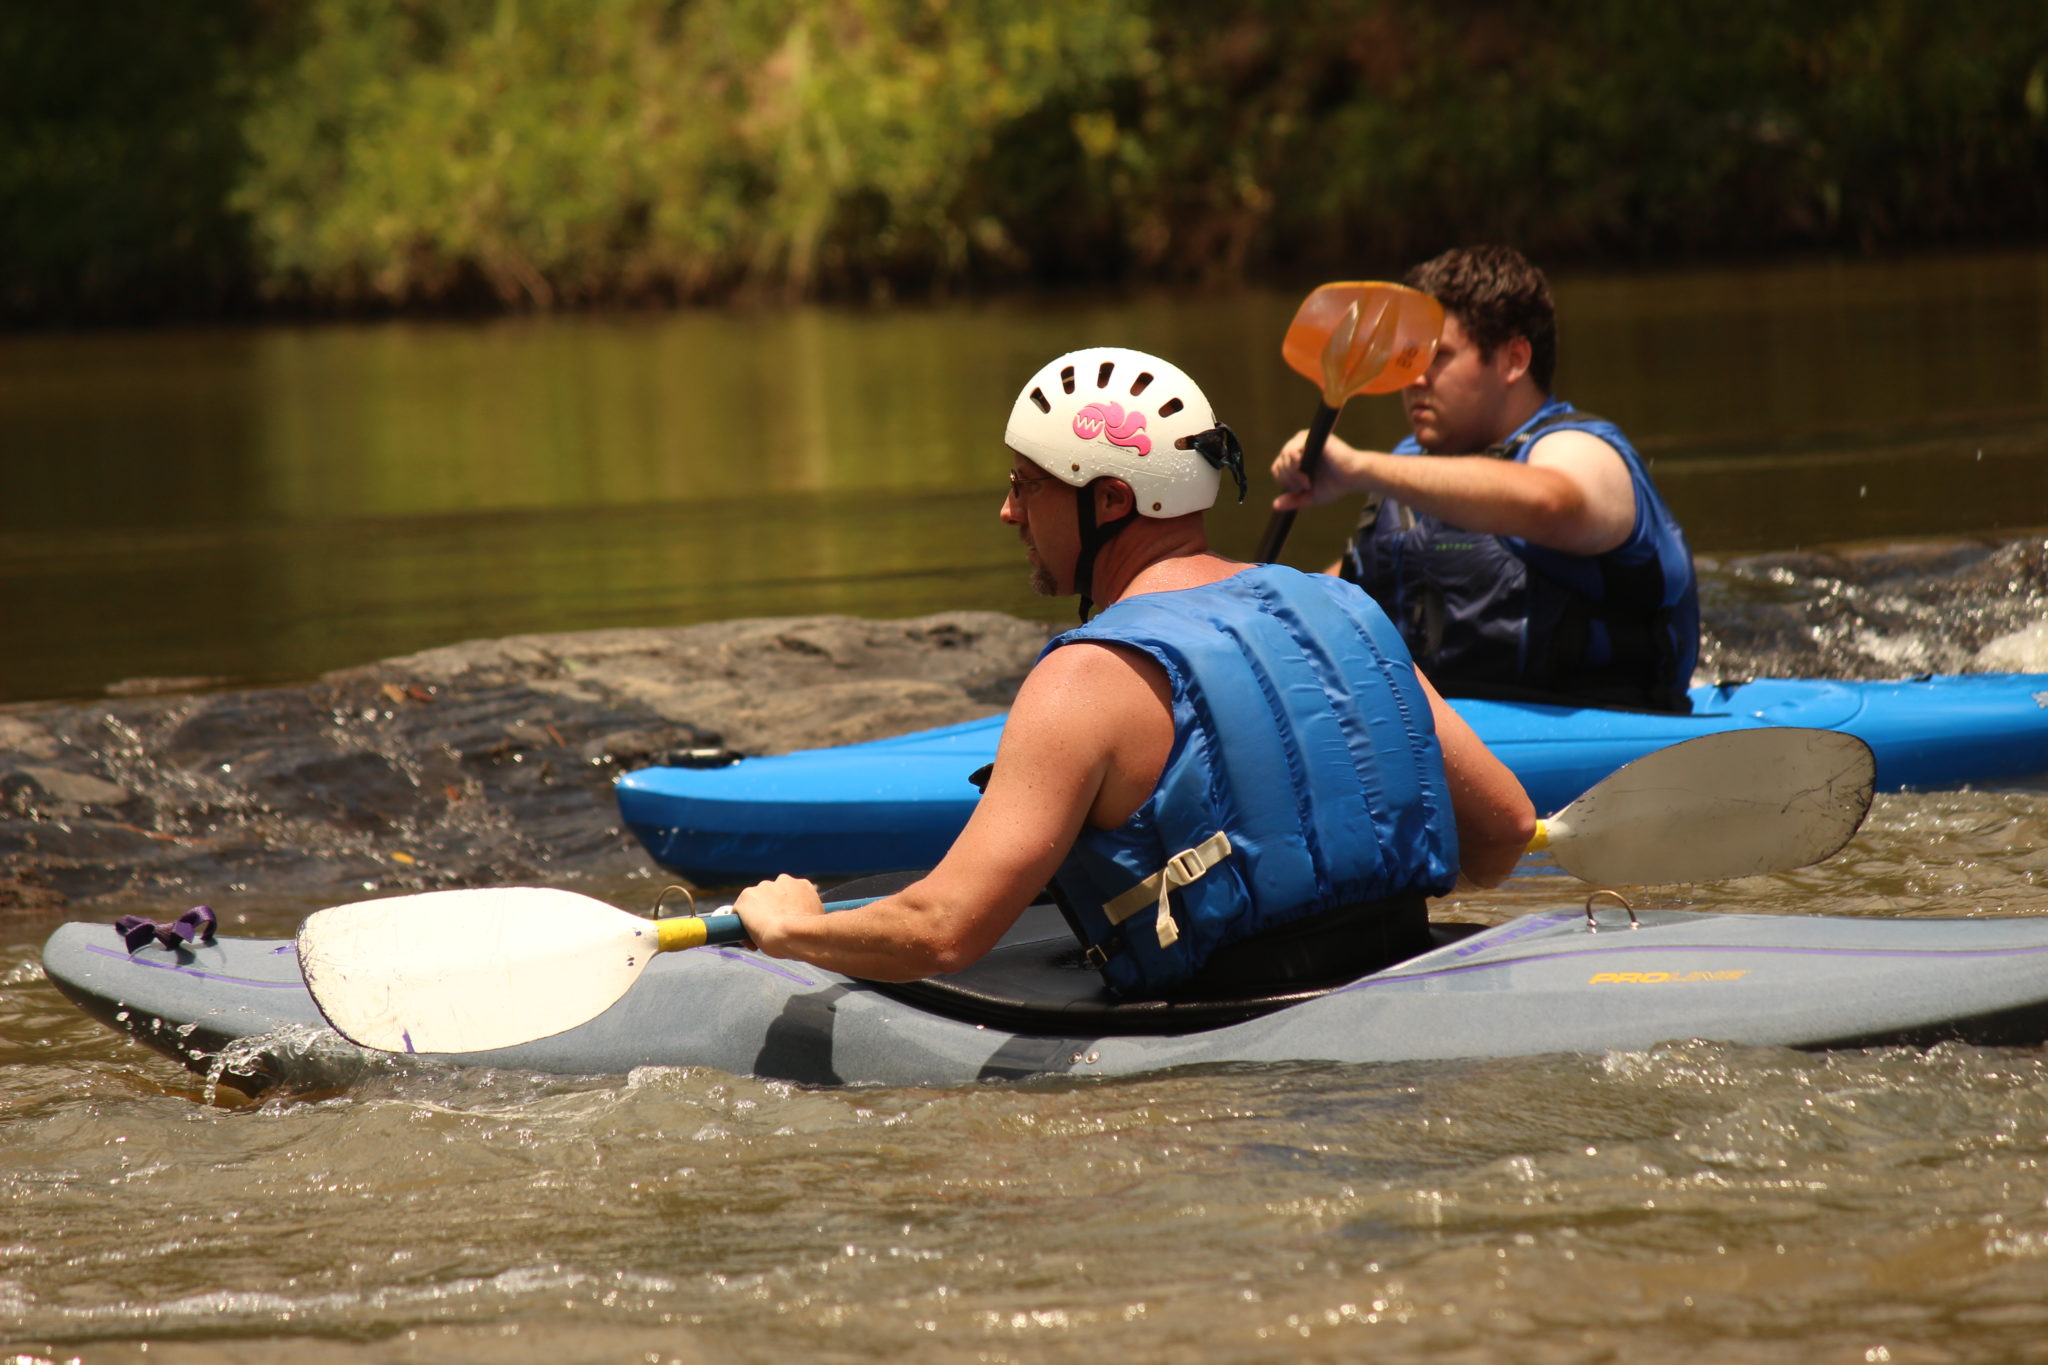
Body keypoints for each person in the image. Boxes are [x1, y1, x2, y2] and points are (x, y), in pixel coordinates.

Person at [734, 347, 1535, 1002]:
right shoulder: (1346, 606)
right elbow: (1502, 831)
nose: (1009, 513)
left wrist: (794, 927)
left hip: (1228, 1061)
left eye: (1026, 485)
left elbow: (944, 929)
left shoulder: (1086, 676)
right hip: (1396, 981)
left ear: (1110, 499)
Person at [1270, 245, 1700, 713]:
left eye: (1439, 357)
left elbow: (1552, 504)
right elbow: (1356, 587)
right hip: (1447, 732)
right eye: (1408, 359)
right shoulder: (1409, 464)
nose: (1413, 379)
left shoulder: (1581, 449)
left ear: (1514, 359)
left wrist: (1361, 468)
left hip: (1603, 724)